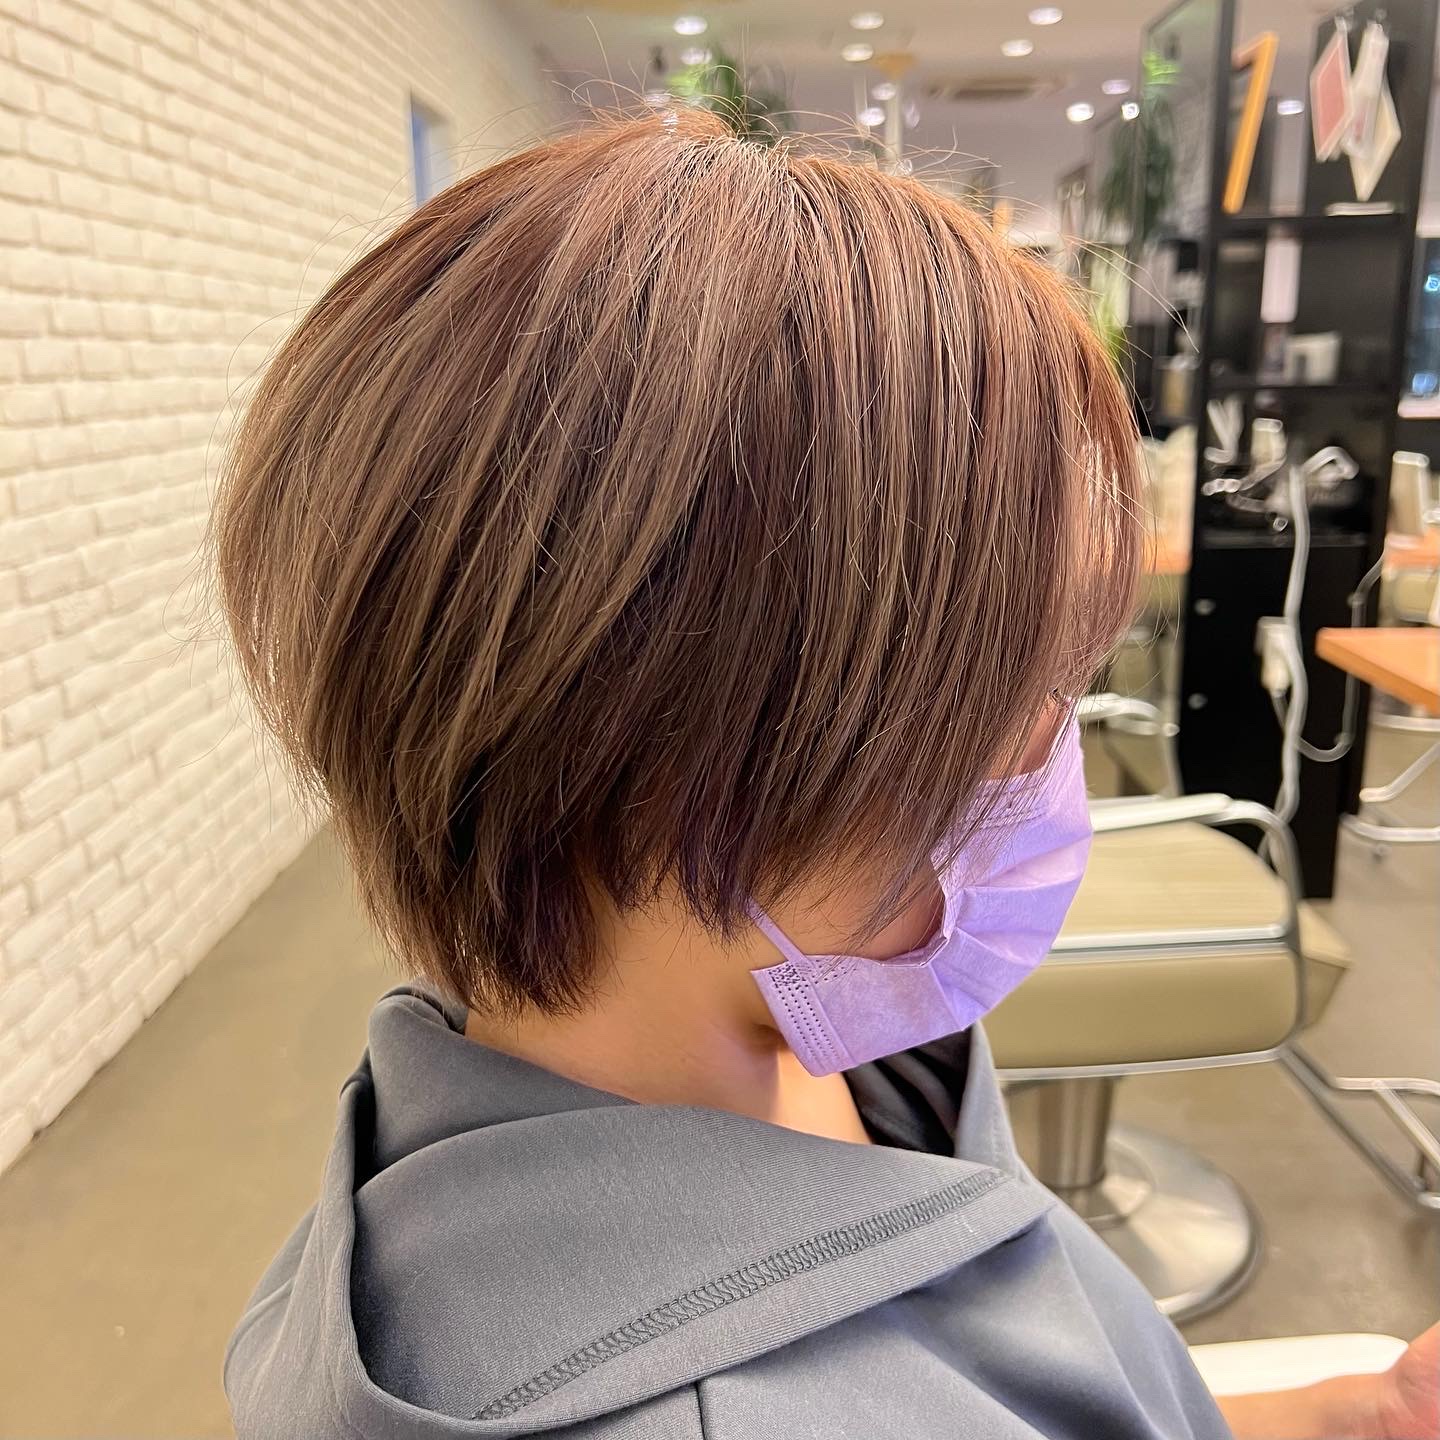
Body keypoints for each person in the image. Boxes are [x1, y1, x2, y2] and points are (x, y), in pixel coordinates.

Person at [216, 112, 1438, 1440]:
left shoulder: (772, 1030)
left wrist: (1354, 1414)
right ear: (691, 757)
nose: (1053, 753)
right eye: (1021, 690)